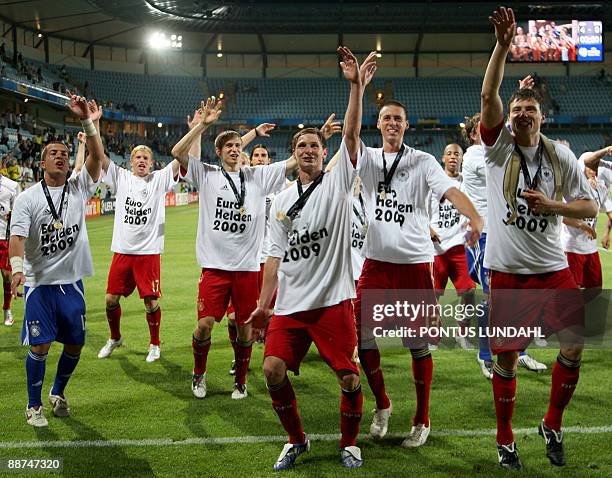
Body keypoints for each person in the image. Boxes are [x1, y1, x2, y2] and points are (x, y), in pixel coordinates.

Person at [247, 47, 376, 471]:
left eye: (315, 145)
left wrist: (355, 87)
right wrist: (264, 306)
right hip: (290, 305)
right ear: (294, 152)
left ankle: (350, 443)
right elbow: (272, 257)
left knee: (349, 377)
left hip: (334, 302)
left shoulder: (339, 180)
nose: (308, 150)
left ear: (325, 152)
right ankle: (296, 439)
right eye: (301, 145)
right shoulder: (280, 201)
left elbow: (353, 135)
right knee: (271, 370)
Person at [479, 7, 597, 469]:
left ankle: (552, 423)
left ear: (541, 117)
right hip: (508, 275)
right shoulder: (496, 149)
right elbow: (489, 92)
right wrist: (503, 45)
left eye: (530, 108)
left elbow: (589, 208)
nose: (522, 113)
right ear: (508, 118)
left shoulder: (561, 157)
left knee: (574, 344)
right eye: (516, 109)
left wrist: (555, 208)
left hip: (552, 270)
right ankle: (505, 437)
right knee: (506, 362)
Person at [355, 97, 483, 446]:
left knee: (417, 343)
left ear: (406, 125)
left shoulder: (424, 161)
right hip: (376, 264)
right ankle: (382, 404)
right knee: (363, 336)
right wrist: (358, 87)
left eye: (398, 118)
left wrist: (474, 216)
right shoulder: (367, 159)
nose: (393, 123)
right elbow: (350, 136)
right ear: (378, 124)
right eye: (386, 118)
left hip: (413, 266)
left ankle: (422, 418)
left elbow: (451, 190)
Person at [171, 100, 297, 400]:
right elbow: (177, 153)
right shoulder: (208, 175)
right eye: (227, 145)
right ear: (219, 152)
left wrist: (323, 140)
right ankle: (198, 375)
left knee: (244, 330)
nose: (233, 148)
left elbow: (294, 161)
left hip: (246, 269)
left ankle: (240, 381)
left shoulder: (258, 177)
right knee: (204, 326)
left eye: (237, 145)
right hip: (214, 268)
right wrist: (202, 125)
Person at [10, 93, 105, 427]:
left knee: (75, 346)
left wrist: (87, 121)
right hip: (39, 284)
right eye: (53, 153)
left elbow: (96, 157)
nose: (61, 158)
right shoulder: (27, 199)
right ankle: (33, 405)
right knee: (41, 346)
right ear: (42, 162)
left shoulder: (79, 187)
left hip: (71, 285)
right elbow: (17, 238)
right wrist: (18, 271)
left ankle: (58, 392)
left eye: (65, 154)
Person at [462, 110, 547, 378]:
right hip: (483, 235)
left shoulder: (499, 154)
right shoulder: (474, 154)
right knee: (493, 296)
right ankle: (485, 354)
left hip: (506, 234)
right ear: (475, 134)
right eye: (485, 128)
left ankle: (518, 351)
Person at [97, 111, 183, 363]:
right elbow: (99, 155)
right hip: (123, 250)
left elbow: (180, 157)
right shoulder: (121, 177)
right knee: (110, 299)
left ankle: (154, 344)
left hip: (148, 253)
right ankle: (115, 337)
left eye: (146, 157)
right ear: (130, 161)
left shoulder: (159, 179)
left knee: (151, 301)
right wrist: (93, 124)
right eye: (137, 157)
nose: (142, 160)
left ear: (153, 162)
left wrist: (199, 127)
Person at [429, 143, 476, 350]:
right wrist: (426, 228)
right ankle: (433, 336)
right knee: (432, 296)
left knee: (469, 291)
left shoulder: (468, 185)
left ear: (462, 159)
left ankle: (462, 333)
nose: (453, 157)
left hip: (458, 245)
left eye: (457, 153)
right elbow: (418, 209)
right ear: (443, 158)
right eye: (449, 153)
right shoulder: (432, 182)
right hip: (435, 248)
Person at [0, 170, 20, 326]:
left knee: (7, 276)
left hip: (4, 238)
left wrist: (12, 214)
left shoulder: (11, 186)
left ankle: (7, 310)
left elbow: (19, 212)